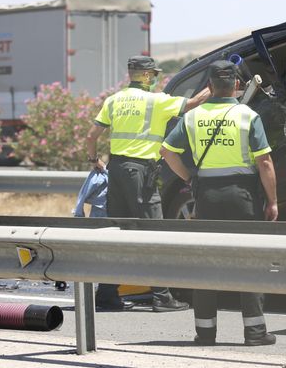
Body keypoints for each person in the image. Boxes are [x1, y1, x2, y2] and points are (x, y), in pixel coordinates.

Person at [160, 59, 279, 347]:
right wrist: (272, 201)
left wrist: (189, 177)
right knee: (248, 262)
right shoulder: (247, 116)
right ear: (237, 84)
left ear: (209, 86)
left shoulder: (193, 117)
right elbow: (264, 162)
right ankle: (255, 332)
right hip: (243, 196)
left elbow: (167, 151)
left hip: (207, 196)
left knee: (208, 262)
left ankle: (205, 333)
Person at [85, 55, 209, 312]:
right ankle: (162, 297)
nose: (155, 79)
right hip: (141, 174)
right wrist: (215, 85)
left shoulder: (114, 100)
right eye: (153, 74)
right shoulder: (157, 101)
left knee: (117, 233)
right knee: (154, 232)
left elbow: (91, 136)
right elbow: (194, 103)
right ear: (144, 75)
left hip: (116, 170)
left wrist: (94, 160)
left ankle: (106, 295)